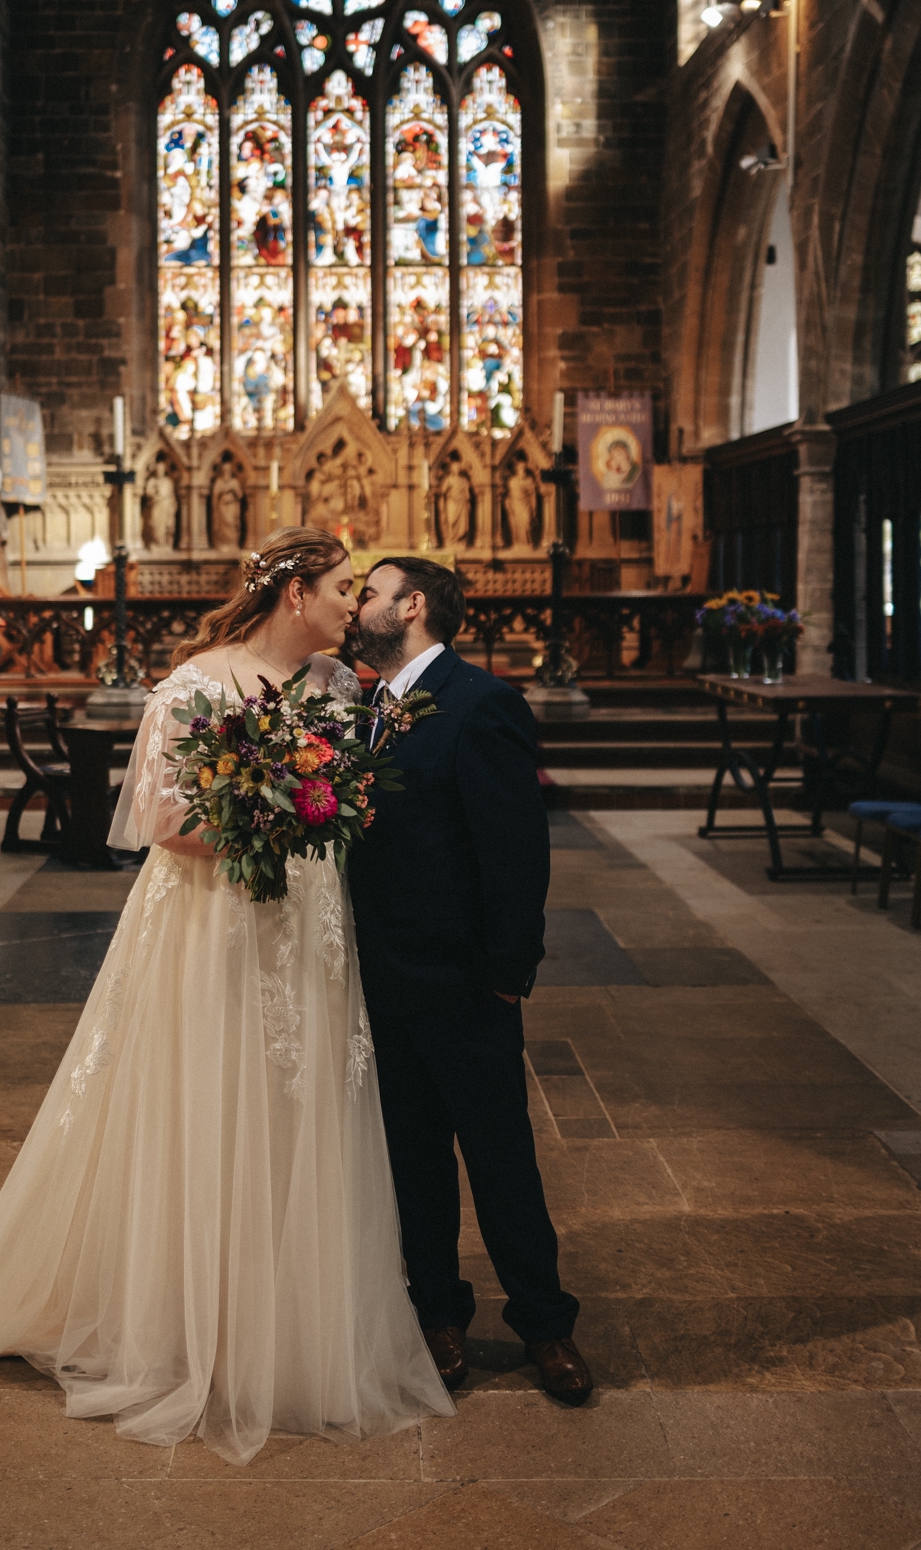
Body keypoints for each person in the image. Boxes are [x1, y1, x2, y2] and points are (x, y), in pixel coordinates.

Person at [0, 529, 451, 1465]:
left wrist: (325, 802)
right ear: (296, 595)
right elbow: (159, 818)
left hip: (309, 927)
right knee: (207, 1096)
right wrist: (272, 805)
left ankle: (291, 1312)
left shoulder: (341, 691)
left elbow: (362, 801)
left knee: (301, 1106)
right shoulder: (194, 686)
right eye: (343, 588)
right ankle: (185, 1319)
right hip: (211, 924)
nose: (355, 604)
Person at [346, 556, 591, 1406]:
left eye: (369, 593)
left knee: (499, 1159)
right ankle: (439, 1313)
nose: (357, 605)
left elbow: (515, 852)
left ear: (412, 606)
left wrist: (503, 974)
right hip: (382, 976)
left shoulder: (482, 702)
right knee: (412, 1159)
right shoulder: (362, 707)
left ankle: (545, 1324)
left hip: (460, 980)